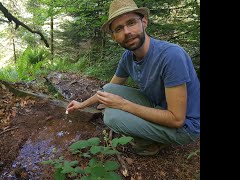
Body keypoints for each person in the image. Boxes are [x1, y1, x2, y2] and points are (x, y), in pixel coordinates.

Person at [66, 0, 200, 156]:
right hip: (158, 106)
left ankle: (151, 144)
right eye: (119, 28)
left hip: (186, 126)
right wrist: (81, 104)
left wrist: (123, 104)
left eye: (131, 23)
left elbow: (177, 119)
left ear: (144, 22)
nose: (127, 32)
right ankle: (152, 134)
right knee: (110, 90)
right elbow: (108, 89)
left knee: (112, 117)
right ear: (114, 36)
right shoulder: (128, 57)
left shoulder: (171, 56)